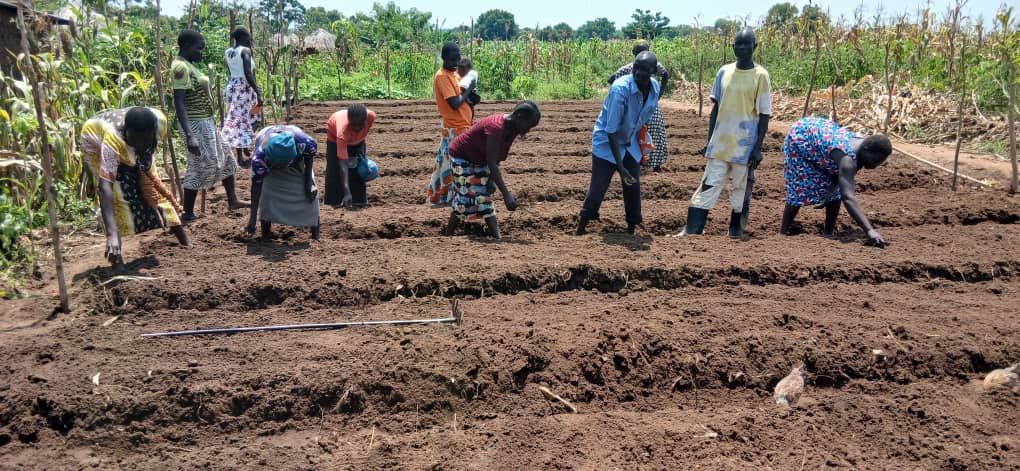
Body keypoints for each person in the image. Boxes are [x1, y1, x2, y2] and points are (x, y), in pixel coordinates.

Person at [678, 27, 771, 239]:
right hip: (720, 145)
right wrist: (709, 140)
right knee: (708, 185)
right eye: (738, 44)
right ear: (733, 47)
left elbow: (764, 115)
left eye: (747, 44)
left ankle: (735, 233)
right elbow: (716, 109)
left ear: (755, 47)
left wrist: (757, 149)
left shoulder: (761, 75)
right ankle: (691, 231)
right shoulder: (724, 72)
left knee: (739, 190)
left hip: (744, 147)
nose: (742, 48)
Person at [81, 107, 189, 267]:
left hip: (127, 143)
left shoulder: (159, 122)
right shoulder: (113, 140)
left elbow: (144, 155)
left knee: (154, 192)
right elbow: (105, 186)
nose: (141, 145)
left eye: (145, 140)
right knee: (119, 196)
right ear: (126, 132)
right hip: (95, 145)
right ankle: (117, 261)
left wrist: (143, 169)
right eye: (136, 140)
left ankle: (185, 244)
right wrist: (111, 234)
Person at [576, 51, 661, 236]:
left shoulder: (655, 87)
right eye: (636, 67)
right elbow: (612, 130)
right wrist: (620, 167)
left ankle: (632, 228)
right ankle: (581, 229)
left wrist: (642, 143)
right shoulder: (620, 89)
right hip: (608, 142)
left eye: (645, 69)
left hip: (630, 143)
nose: (639, 72)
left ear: (653, 71)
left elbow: (646, 114)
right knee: (599, 185)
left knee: (633, 186)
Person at [780, 117, 891, 247]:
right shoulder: (848, 160)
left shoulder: (862, 149)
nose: (875, 166)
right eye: (874, 161)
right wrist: (870, 230)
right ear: (866, 149)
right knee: (800, 187)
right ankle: (783, 232)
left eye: (879, 163)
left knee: (835, 193)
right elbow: (848, 197)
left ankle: (828, 232)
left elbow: (838, 178)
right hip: (802, 136)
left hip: (822, 136)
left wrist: (830, 191)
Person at [172, 29, 247, 221]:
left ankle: (233, 200)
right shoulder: (180, 67)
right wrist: (190, 135)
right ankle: (188, 212)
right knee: (199, 164)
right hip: (195, 123)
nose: (202, 53)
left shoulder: (188, 65)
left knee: (227, 156)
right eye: (199, 48)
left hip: (206, 121)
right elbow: (179, 103)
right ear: (187, 46)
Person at [442, 101, 541, 240]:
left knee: (484, 195)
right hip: (462, 157)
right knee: (465, 198)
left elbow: (499, 155)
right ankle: (448, 235)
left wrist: (491, 180)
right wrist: (506, 194)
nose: (528, 130)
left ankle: (497, 237)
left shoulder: (512, 128)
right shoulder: (496, 128)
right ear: (519, 117)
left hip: (480, 158)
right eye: (528, 125)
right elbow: (492, 162)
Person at [244, 125, 320, 240]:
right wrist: (252, 219)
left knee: (311, 196)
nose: (279, 168)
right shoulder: (259, 158)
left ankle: (315, 236)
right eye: (276, 166)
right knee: (267, 194)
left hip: (295, 152)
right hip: (268, 145)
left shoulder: (306, 143)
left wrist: (308, 183)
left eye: (281, 166)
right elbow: (256, 187)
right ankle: (266, 235)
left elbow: (309, 162)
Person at [426, 41, 477, 206]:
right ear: (444, 58)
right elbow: (455, 103)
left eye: (457, 59)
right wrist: (469, 89)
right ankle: (453, 198)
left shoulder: (455, 74)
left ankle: (451, 197)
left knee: (451, 164)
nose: (455, 62)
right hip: (454, 128)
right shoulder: (442, 76)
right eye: (452, 59)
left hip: (463, 126)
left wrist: (472, 95)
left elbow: (465, 98)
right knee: (456, 166)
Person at [608, 40, 670, 172]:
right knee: (637, 135)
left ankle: (653, 164)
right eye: (639, 52)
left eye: (644, 51)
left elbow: (665, 75)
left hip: (648, 107)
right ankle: (641, 163)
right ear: (634, 53)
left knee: (652, 134)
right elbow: (612, 79)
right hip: (634, 108)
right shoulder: (629, 68)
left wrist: (657, 96)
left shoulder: (653, 66)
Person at [220, 27, 263, 169]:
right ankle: (239, 157)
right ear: (244, 38)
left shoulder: (228, 52)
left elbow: (233, 71)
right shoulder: (245, 51)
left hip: (232, 86)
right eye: (249, 37)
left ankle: (244, 147)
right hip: (243, 88)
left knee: (242, 118)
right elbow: (248, 73)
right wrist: (258, 92)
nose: (250, 40)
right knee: (241, 120)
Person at [325, 104, 376, 208]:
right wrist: (347, 191)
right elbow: (343, 163)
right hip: (334, 139)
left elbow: (363, 133)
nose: (357, 128)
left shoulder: (371, 116)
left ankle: (358, 199)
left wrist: (359, 147)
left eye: (360, 124)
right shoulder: (342, 131)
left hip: (358, 140)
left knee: (359, 168)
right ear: (349, 120)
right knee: (335, 169)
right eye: (353, 124)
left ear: (365, 121)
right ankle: (335, 201)